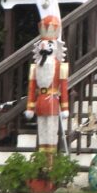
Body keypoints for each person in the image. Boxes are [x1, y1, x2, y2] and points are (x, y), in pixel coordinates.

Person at [24, 16, 69, 163]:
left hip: (53, 101)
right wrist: (30, 107)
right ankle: (42, 160)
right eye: (43, 44)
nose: (45, 47)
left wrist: (64, 107)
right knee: (42, 130)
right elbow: (31, 88)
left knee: (51, 130)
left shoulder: (60, 66)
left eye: (49, 43)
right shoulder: (35, 67)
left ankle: (50, 161)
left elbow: (63, 88)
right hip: (40, 102)